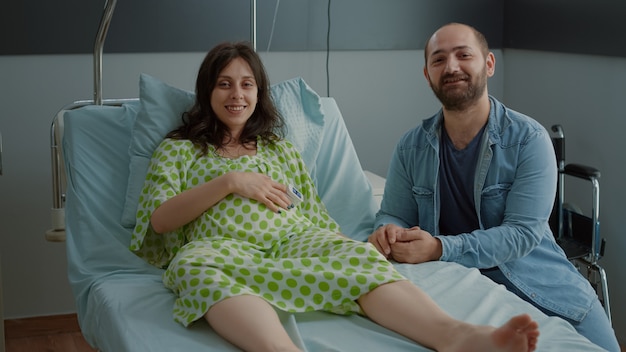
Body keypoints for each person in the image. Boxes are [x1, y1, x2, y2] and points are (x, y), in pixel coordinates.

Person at [129, 41, 540, 352]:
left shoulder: (279, 149)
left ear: (258, 94)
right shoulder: (179, 149)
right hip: (219, 248)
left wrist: (340, 244)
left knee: (358, 257)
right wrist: (232, 182)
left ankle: (459, 336)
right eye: (224, 84)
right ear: (207, 91)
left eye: (247, 84)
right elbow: (161, 220)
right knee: (197, 271)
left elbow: (310, 214)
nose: (236, 94)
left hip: (292, 241)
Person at [368, 23, 619, 351]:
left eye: (463, 55)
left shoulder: (529, 139)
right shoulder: (411, 147)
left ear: (488, 64)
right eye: (439, 59)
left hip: (541, 288)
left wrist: (441, 248)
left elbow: (523, 234)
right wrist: (387, 231)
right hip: (455, 292)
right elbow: (393, 212)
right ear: (428, 75)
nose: (452, 67)